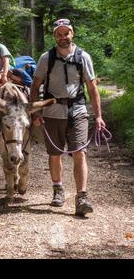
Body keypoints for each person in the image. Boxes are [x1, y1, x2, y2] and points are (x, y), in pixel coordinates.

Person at [30, 18, 106, 217]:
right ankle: (58, 189)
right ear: (55, 36)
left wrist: (98, 116)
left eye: (66, 33)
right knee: (55, 154)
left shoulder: (83, 57)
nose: (63, 37)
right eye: (59, 34)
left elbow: (92, 87)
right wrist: (36, 112)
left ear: (72, 34)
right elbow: (35, 86)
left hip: (78, 111)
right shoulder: (46, 58)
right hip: (52, 112)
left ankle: (81, 197)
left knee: (80, 153)